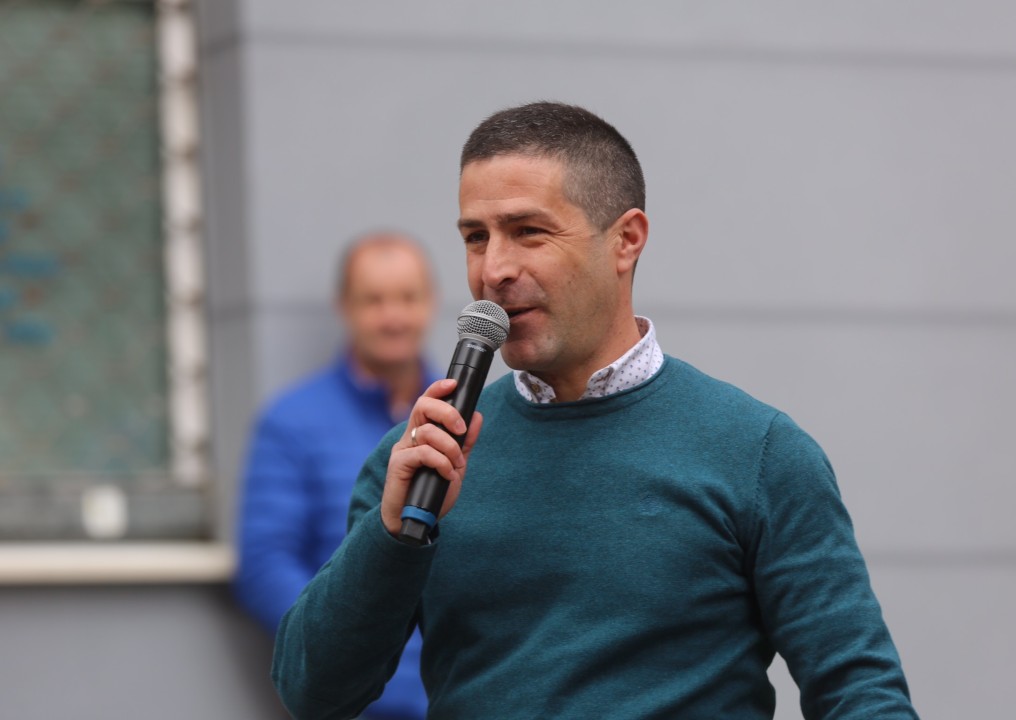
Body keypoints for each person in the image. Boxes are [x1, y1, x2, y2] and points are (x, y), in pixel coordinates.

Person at [271, 102, 919, 719]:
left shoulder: (758, 453)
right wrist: (392, 536)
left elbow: (859, 692)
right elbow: (312, 693)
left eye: (528, 232)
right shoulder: (421, 458)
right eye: (475, 237)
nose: (494, 269)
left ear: (626, 240)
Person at [236, 231, 437, 719]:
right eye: (374, 301)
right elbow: (265, 562)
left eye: (407, 298)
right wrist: (341, 649)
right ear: (343, 306)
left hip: (455, 697)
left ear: (430, 303)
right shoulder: (291, 422)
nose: (393, 317)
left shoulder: (468, 416)